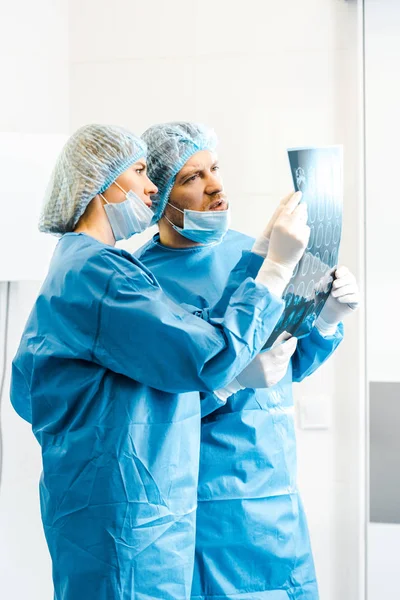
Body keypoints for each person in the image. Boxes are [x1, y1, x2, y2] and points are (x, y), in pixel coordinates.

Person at [10, 124, 311, 600]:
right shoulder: (103, 273)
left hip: (115, 509)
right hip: (126, 516)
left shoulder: (81, 266)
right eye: (141, 172)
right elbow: (206, 355)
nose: (152, 189)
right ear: (102, 182)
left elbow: (27, 389)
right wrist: (272, 270)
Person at [136, 121, 360, 600]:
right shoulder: (139, 285)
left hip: (276, 499)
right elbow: (145, 412)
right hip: (204, 507)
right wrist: (227, 382)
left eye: (214, 168)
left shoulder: (258, 253)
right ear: (157, 196)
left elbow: (285, 367)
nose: (215, 184)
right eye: (191, 177)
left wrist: (324, 322)